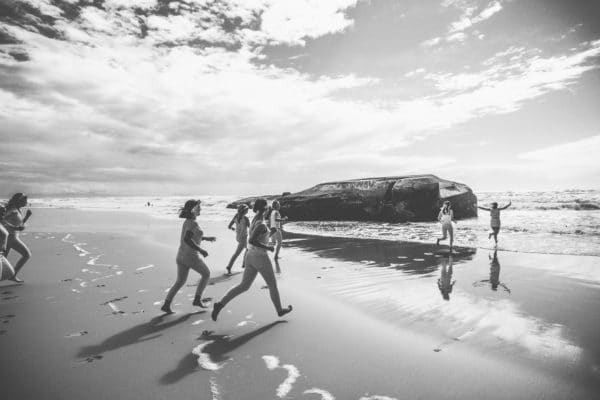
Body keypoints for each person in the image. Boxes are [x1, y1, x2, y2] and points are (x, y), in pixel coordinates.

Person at [211, 198, 292, 321]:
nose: (268, 210)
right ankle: (279, 310)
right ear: (263, 209)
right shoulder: (261, 224)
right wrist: (268, 248)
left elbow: (258, 237)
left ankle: (220, 304)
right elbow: (252, 240)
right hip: (260, 257)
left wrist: (270, 234)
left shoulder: (255, 220)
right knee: (272, 285)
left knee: (244, 286)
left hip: (250, 255)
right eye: (267, 208)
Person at [161, 200, 216, 314]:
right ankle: (197, 299)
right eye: (199, 207)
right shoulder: (193, 223)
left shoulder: (188, 221)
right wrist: (201, 250)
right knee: (206, 274)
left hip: (181, 256)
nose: (200, 209)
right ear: (193, 209)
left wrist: (206, 238)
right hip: (191, 257)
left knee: (180, 281)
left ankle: (166, 304)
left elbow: (192, 236)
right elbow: (187, 239)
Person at [1, 193, 33, 283]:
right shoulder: (13, 211)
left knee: (3, 259)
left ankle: (13, 275)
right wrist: (15, 228)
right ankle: (13, 275)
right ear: (20, 201)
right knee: (26, 254)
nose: (27, 202)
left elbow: (19, 225)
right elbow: (2, 221)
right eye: (25, 201)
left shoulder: (18, 210)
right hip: (10, 237)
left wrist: (27, 217)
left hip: (12, 237)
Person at [225, 204, 250, 275]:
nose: (248, 211)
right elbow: (250, 228)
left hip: (238, 237)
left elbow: (229, 226)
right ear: (244, 211)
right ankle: (230, 266)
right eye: (247, 209)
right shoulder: (246, 218)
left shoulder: (236, 216)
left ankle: (244, 263)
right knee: (238, 253)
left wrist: (233, 228)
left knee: (248, 249)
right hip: (243, 238)